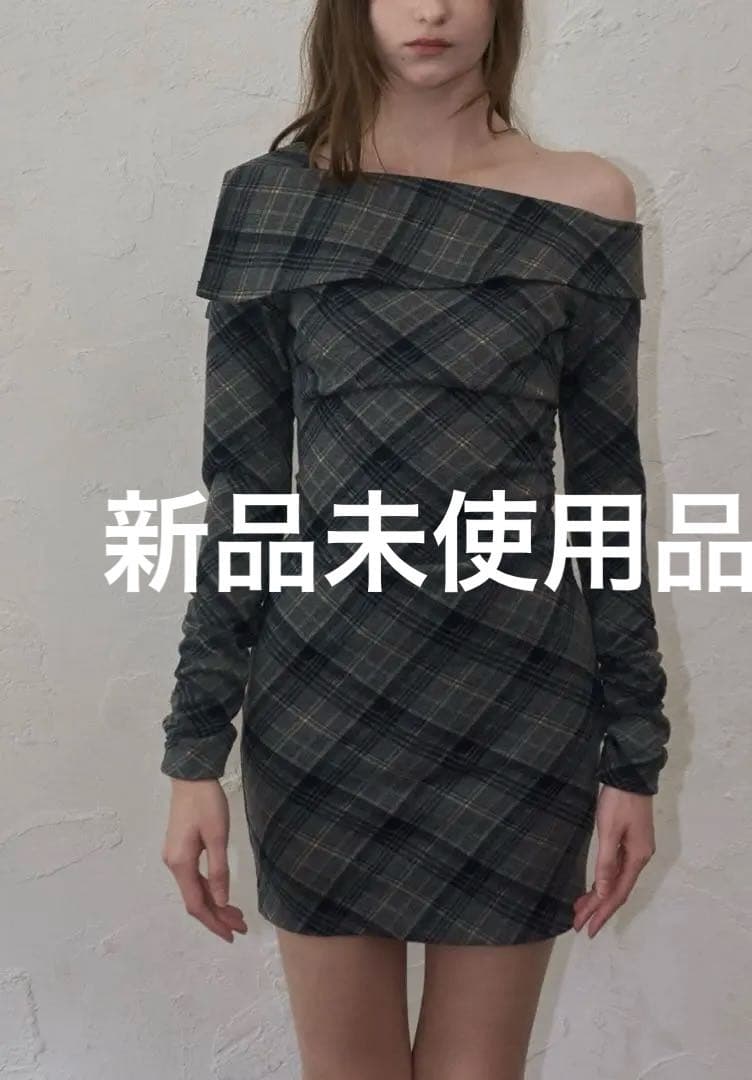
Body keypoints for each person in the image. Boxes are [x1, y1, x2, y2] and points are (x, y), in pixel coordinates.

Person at [160, 1, 671, 1077]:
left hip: (520, 706)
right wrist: (194, 752)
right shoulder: (273, 205)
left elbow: (607, 495)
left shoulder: (585, 199)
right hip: (324, 707)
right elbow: (244, 499)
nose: (430, 8)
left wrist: (634, 751)